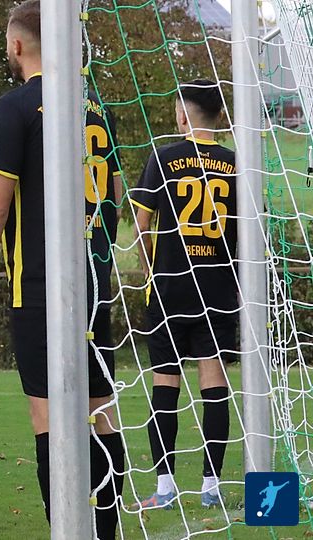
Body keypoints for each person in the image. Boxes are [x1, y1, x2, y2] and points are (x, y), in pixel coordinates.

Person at [0, 1, 124, 537]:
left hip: (41, 284)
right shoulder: (95, 106)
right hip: (94, 280)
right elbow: (114, 198)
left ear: (18, 44)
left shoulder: (17, 105)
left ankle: (66, 530)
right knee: (101, 411)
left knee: (47, 415)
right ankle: (108, 529)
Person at [131, 79, 236, 510]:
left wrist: (149, 268)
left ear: (180, 115)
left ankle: (165, 487)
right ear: (218, 116)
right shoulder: (236, 163)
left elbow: (140, 225)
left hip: (170, 288)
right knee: (214, 382)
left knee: (165, 384)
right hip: (219, 291)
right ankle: (211, 487)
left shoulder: (164, 158)